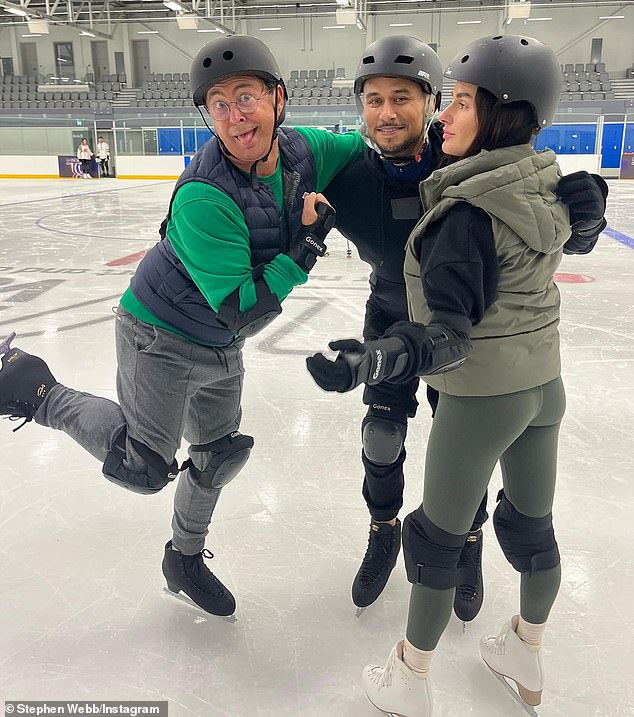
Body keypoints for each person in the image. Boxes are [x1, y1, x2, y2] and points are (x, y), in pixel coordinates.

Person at [0, 35, 365, 618]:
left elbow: (368, 149)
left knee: (217, 455)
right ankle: (32, 386)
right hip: (160, 337)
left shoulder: (302, 150)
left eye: (244, 97)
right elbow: (242, 307)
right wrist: (307, 245)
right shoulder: (204, 195)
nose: (233, 115)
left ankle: (184, 559)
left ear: (278, 98)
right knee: (144, 465)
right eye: (217, 105)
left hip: (222, 346)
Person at [307, 35, 587, 715]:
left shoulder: (460, 169)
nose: (387, 111)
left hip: (451, 340)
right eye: (373, 101)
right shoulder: (353, 175)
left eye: (405, 98)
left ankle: (453, 572)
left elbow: (517, 222)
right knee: (387, 438)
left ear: (434, 106)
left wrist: (586, 211)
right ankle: (384, 532)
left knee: (454, 487)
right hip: (434, 328)